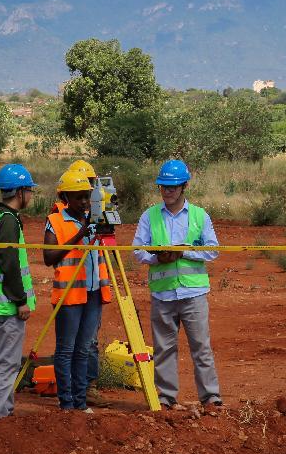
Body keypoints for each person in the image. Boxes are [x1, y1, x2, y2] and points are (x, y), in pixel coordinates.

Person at [132, 159, 223, 410]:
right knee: (163, 349)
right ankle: (166, 397)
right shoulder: (149, 216)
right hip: (163, 295)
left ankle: (211, 397)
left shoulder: (199, 215)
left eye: (172, 187)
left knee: (201, 348)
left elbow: (213, 250)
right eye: (163, 187)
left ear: (184, 187)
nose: (167, 191)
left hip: (193, 293)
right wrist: (156, 257)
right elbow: (137, 250)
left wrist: (185, 252)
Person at [43, 170, 112, 412]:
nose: (84, 202)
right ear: (66, 198)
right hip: (69, 295)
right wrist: (79, 235)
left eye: (87, 196)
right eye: (79, 197)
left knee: (83, 350)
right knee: (66, 350)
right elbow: (48, 257)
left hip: (93, 293)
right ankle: (67, 404)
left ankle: (81, 403)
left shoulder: (94, 219)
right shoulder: (56, 221)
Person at [0, 163, 38, 421]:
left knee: (0, 363)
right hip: (7, 306)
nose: (32, 196)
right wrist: (21, 300)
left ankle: (3, 415)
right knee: (5, 365)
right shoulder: (8, 222)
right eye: (30, 191)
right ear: (20, 192)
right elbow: (10, 263)